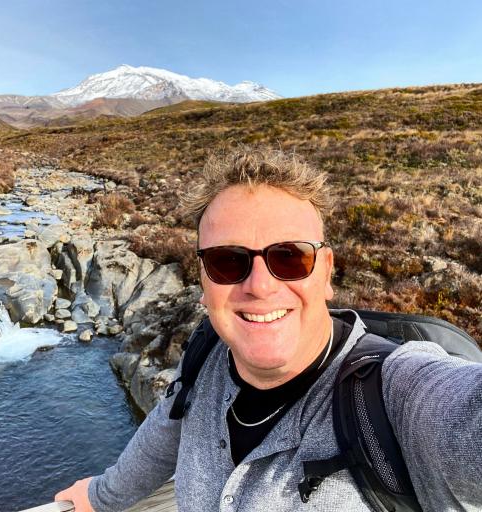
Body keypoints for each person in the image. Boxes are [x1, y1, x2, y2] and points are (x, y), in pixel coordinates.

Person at [55, 147, 482, 511]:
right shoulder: (207, 354)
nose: (259, 286)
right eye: (228, 260)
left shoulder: (398, 398)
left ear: (326, 271)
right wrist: (102, 496)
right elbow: (167, 429)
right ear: (203, 279)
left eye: (290, 257)